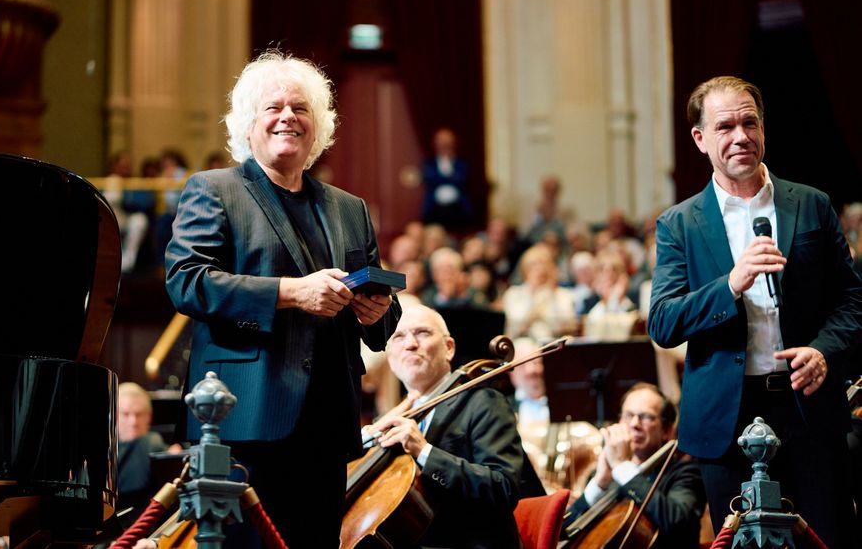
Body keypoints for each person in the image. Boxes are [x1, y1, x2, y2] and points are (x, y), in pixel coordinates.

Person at [164, 51, 400, 549]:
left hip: (328, 422)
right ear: (248, 125)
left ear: (318, 128)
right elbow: (187, 280)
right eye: (273, 107)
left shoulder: (348, 208)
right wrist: (292, 293)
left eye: (301, 108)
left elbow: (382, 314)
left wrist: (377, 312)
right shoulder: (214, 189)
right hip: (244, 417)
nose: (288, 116)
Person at [648, 76, 862, 548]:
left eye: (749, 122)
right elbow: (663, 322)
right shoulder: (680, 223)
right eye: (725, 126)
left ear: (763, 129)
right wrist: (729, 285)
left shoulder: (811, 204)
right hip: (728, 419)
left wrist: (825, 351)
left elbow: (853, 299)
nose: (740, 136)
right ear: (701, 140)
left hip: (808, 407)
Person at [364, 305, 544, 549]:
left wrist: (424, 451)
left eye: (423, 333)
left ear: (449, 348)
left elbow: (503, 489)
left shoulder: (484, 403)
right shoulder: (391, 420)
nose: (410, 344)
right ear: (390, 358)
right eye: (398, 337)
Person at [561, 383, 706, 549]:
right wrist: (599, 484)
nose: (635, 424)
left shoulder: (686, 473)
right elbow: (565, 532)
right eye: (628, 415)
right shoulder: (604, 474)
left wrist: (623, 467)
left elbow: (677, 523)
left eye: (646, 417)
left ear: (666, 430)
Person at [116, 382, 169, 528]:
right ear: (114, 415)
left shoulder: (154, 443)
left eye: (139, 415)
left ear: (149, 417)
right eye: (125, 414)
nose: (133, 422)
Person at [421, 128, 475, 233]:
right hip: (435, 210)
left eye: (447, 142)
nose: (444, 145)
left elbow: (462, 179)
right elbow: (430, 179)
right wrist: (449, 177)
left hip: (457, 210)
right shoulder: (429, 164)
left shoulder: (461, 164)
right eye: (441, 142)